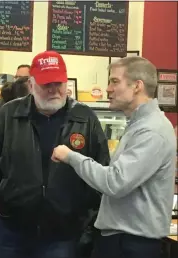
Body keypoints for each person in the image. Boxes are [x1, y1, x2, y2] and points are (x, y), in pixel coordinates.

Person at [0, 50, 110, 258]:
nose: (53, 90)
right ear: (31, 85)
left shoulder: (85, 119)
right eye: (46, 84)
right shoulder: (8, 115)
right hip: (11, 230)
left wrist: (85, 218)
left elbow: (102, 170)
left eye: (58, 83)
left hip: (63, 234)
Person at [51, 57, 177, 258]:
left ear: (137, 86)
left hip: (131, 243)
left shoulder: (152, 131)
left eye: (114, 81)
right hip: (121, 240)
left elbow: (115, 182)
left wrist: (71, 157)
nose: (108, 89)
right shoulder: (138, 125)